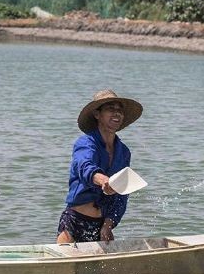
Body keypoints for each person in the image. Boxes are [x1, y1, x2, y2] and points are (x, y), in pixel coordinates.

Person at [57, 90, 143, 245]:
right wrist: (103, 180)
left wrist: (108, 225)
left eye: (119, 110)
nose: (117, 113)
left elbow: (122, 194)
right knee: (65, 266)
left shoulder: (123, 152)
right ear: (97, 114)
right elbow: (83, 166)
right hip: (75, 222)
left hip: (102, 225)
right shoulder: (85, 143)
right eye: (111, 109)